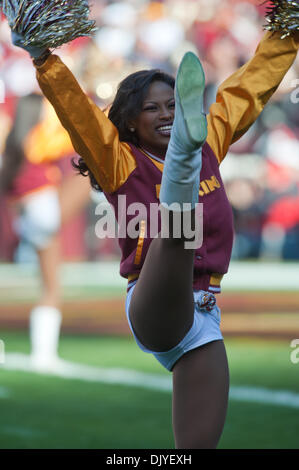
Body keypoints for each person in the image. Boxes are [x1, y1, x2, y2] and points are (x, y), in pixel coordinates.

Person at [8, 10, 299, 448]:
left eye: (173, 106)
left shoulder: (212, 144)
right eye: (152, 108)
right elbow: (79, 116)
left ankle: (181, 169)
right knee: (177, 228)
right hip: (154, 299)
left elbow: (250, 88)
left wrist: (290, 29)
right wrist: (43, 57)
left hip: (205, 315)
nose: (165, 114)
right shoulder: (119, 163)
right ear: (129, 121)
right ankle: (180, 171)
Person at [0, 94, 91, 369]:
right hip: (42, 209)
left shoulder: (14, 144)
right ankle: (44, 355)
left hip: (28, 214)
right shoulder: (37, 141)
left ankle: (44, 353)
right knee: (52, 286)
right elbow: (75, 137)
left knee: (47, 283)